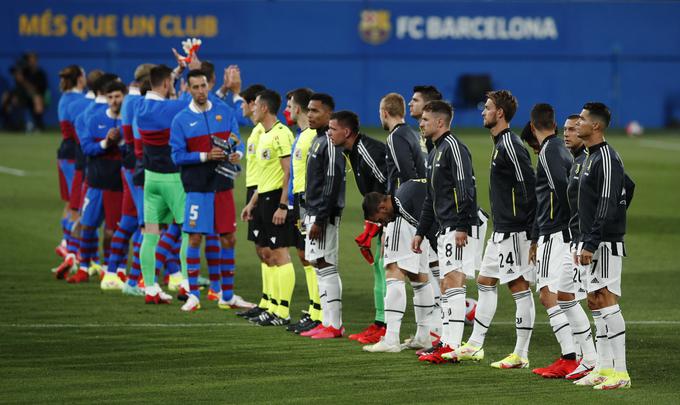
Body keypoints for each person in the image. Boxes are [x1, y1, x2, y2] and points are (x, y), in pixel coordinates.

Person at [451, 90, 537, 369]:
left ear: (500, 113)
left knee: (518, 286)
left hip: (514, 230)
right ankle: (475, 345)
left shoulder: (511, 144)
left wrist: (530, 230)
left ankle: (520, 355)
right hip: (500, 229)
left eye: (487, 108)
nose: (483, 111)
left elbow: (529, 187)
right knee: (485, 281)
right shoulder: (500, 143)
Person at [170, 69, 252, 312]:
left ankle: (226, 295)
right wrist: (205, 155)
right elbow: (177, 156)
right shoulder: (181, 120)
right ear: (188, 89)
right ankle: (193, 295)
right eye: (195, 87)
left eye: (203, 85)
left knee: (229, 237)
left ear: (208, 85)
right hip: (196, 188)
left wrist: (238, 152)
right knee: (195, 237)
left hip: (223, 185)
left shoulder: (224, 112)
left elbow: (237, 138)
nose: (200, 91)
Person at [411, 100, 483, 363]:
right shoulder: (434, 152)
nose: (420, 123)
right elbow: (431, 198)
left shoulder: (454, 147)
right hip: (444, 227)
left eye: (425, 120)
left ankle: (451, 345)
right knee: (446, 283)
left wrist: (463, 224)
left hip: (458, 226)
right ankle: (447, 342)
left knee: (453, 281)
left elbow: (467, 187)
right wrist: (420, 231)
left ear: (440, 122)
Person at [574, 102, 634, 390]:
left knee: (607, 300)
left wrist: (597, 237)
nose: (578, 123)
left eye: (582, 119)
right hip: (592, 239)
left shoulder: (607, 157)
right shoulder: (589, 156)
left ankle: (620, 373)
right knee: (595, 301)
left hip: (604, 243)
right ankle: (603, 367)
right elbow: (628, 186)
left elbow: (610, 200)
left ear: (595, 125)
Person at [520, 104, 580, 378]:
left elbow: (561, 189)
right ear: (553, 125)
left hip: (555, 233)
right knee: (566, 296)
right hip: (555, 233)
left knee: (548, 295)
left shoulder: (548, 152)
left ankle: (571, 356)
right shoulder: (557, 150)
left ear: (533, 127)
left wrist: (560, 227)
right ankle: (579, 356)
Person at [327, 110, 391, 344]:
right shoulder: (352, 151)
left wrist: (385, 226)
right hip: (381, 217)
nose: (329, 133)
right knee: (379, 267)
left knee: (389, 269)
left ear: (346, 132)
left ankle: (389, 327)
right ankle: (380, 323)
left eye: (333, 129)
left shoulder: (367, 151)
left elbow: (388, 186)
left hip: (392, 218)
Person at [136, 64, 193, 304]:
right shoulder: (172, 107)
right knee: (187, 232)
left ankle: (150, 287)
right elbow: (197, 100)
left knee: (150, 235)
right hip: (173, 179)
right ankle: (186, 284)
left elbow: (165, 91)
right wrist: (191, 69)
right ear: (167, 84)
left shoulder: (139, 107)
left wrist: (177, 72)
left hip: (150, 179)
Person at [240, 89, 297, 326]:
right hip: (263, 198)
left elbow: (288, 172)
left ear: (263, 108)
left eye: (255, 107)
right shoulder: (264, 134)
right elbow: (263, 178)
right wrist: (252, 203)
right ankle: (271, 306)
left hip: (276, 200)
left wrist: (283, 204)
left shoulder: (282, 134)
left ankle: (282, 311)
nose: (251, 110)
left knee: (280, 253)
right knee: (268, 253)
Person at [361, 178, 437, 353]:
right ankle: (424, 336)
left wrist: (387, 229)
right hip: (416, 210)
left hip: (402, 212)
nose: (382, 223)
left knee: (393, 270)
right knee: (420, 278)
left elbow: (394, 171)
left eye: (380, 220)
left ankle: (391, 339)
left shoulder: (397, 205)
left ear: (381, 208)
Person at [556, 114, 600, 381]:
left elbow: (625, 187)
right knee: (565, 295)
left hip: (586, 242)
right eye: (565, 129)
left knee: (592, 300)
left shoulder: (591, 161)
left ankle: (593, 359)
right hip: (574, 241)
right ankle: (589, 357)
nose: (567, 134)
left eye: (572, 129)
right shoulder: (576, 163)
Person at [65, 72, 121, 283]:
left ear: (123, 97)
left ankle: (110, 268)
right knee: (88, 226)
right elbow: (87, 148)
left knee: (111, 232)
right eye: (111, 97)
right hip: (96, 183)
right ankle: (84, 267)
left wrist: (122, 143)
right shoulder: (95, 119)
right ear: (105, 97)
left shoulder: (127, 121)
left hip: (117, 185)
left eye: (118, 96)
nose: (114, 101)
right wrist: (106, 142)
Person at [300, 93, 346, 339]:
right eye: (308, 110)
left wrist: (319, 218)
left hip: (324, 215)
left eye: (315, 111)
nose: (310, 114)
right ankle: (326, 321)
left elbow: (331, 182)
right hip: (314, 212)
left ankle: (334, 324)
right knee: (318, 264)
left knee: (326, 264)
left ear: (329, 114)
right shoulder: (318, 140)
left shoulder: (329, 142)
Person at [283, 87, 323, 334]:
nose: (286, 111)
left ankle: (319, 312)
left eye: (289, 106)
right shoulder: (301, 135)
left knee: (313, 256)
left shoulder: (310, 137)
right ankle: (314, 308)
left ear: (297, 108)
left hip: (308, 202)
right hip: (299, 202)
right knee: (304, 255)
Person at [55, 65, 86, 259]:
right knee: (77, 204)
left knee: (70, 203)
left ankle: (65, 242)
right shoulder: (78, 100)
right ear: (80, 79)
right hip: (74, 155)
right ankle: (69, 244)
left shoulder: (65, 98)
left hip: (64, 154)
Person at [408, 85, 443, 153]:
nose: (409, 104)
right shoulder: (426, 137)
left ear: (428, 105)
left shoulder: (435, 140)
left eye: (415, 100)